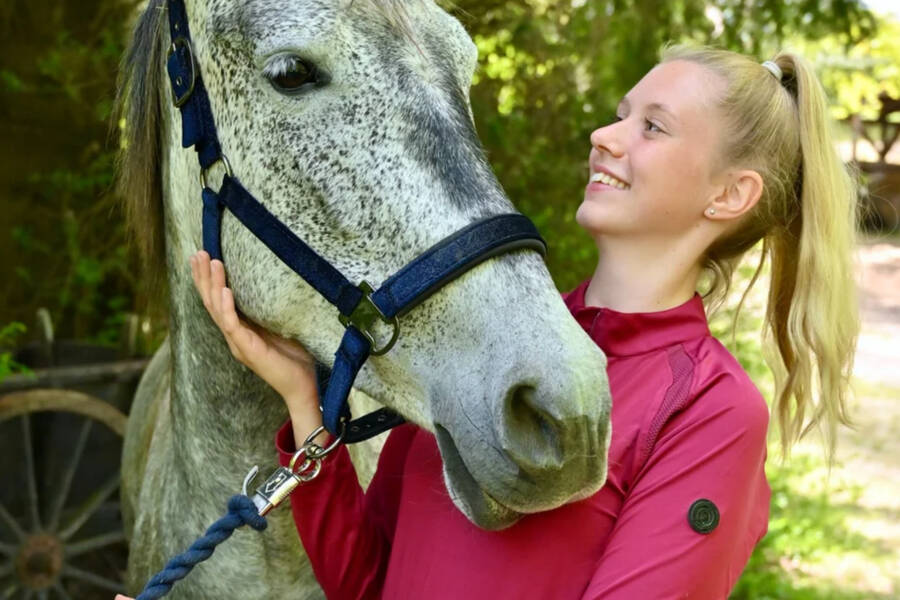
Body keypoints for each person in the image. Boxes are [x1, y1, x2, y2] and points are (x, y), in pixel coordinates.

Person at [118, 42, 860, 599]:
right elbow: (367, 581)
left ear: (730, 195)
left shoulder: (712, 409)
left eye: (654, 128)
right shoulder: (490, 345)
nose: (606, 135)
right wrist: (301, 399)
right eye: (620, 114)